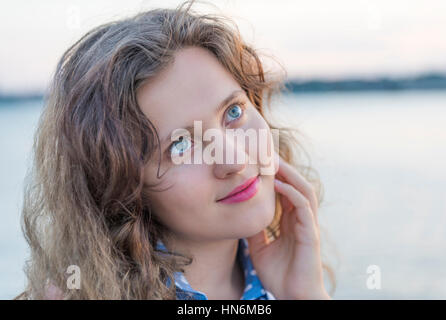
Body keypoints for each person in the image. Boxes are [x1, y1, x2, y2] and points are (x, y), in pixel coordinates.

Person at [15, 0, 334, 300]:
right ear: (121, 188)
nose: (234, 160)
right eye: (181, 145)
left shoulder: (291, 273)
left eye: (233, 112)